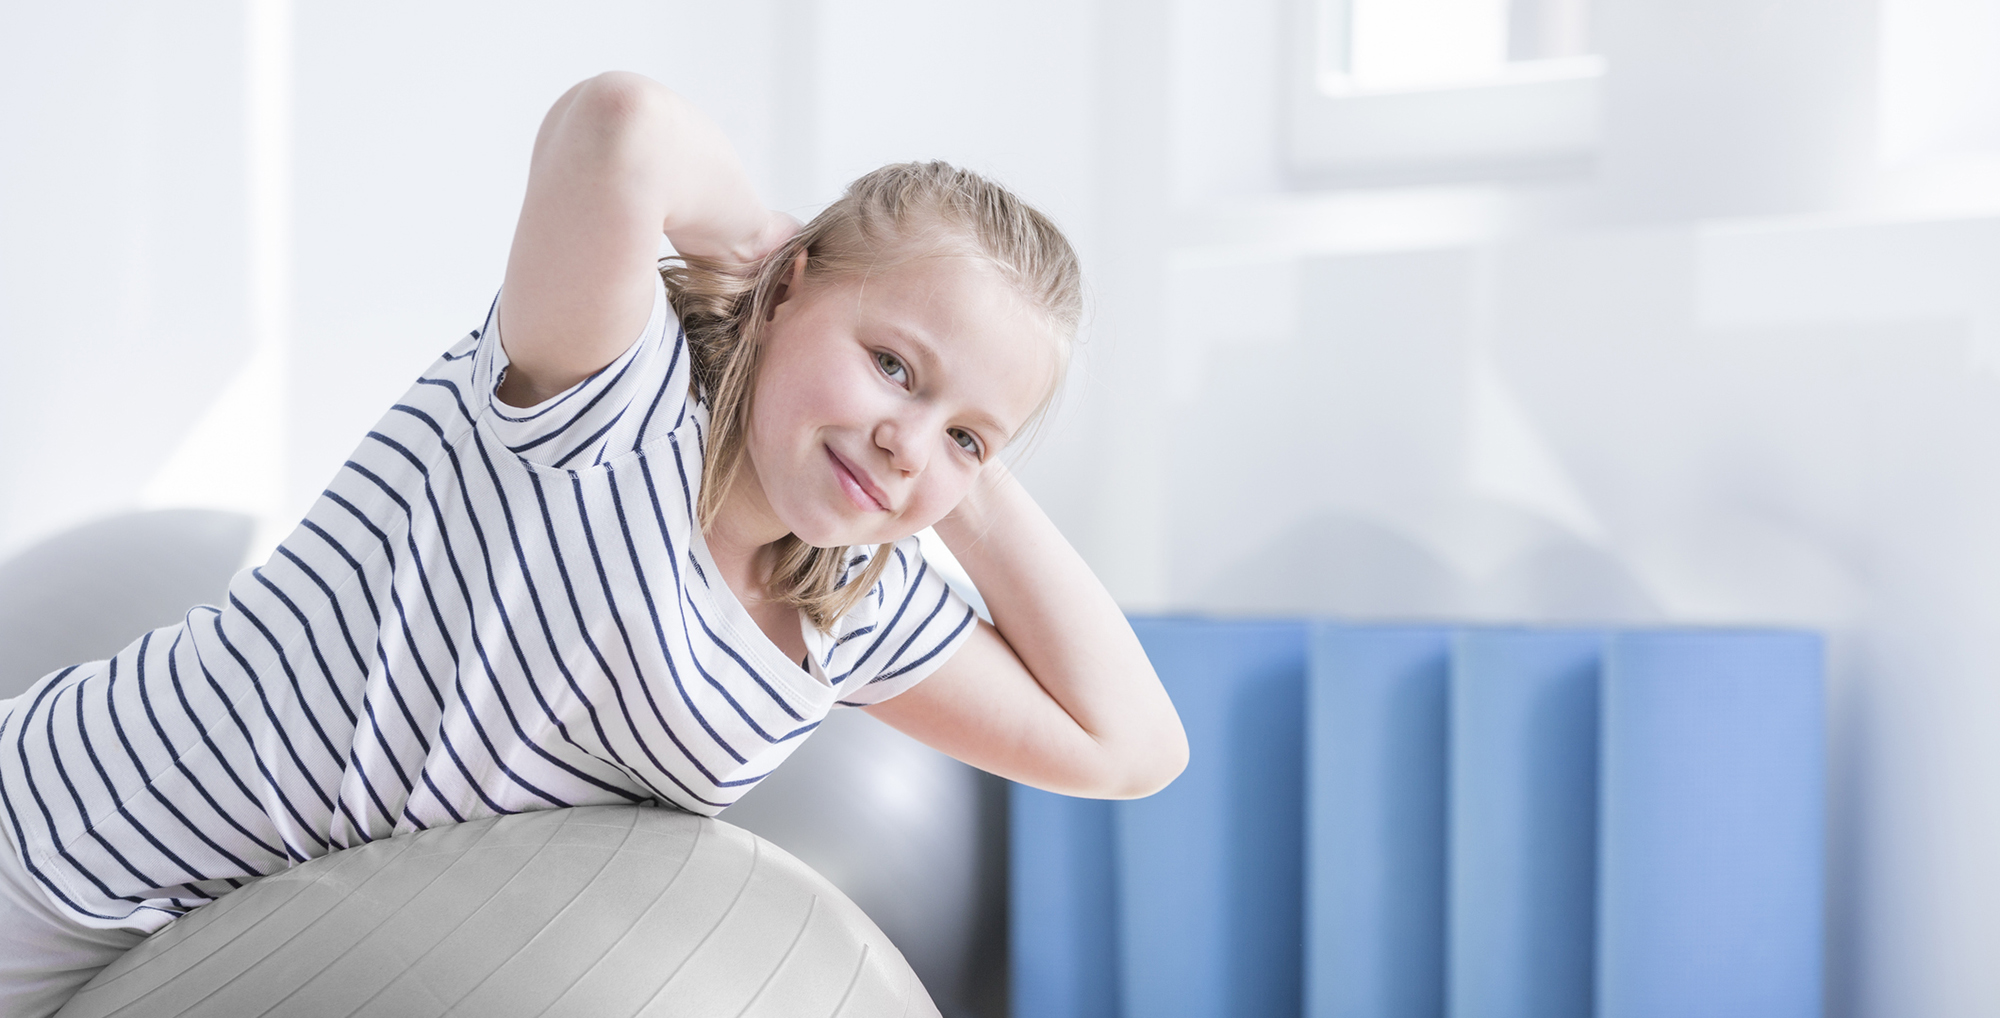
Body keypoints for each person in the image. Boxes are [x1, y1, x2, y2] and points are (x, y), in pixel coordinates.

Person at [0, 71, 1188, 1016]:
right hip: (59, 850)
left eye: (970, 433)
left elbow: (1131, 746)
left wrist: (954, 464)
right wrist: (793, 281)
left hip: (254, 956)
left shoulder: (849, 610)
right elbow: (616, 128)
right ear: (789, 292)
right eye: (890, 360)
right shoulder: (606, 400)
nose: (901, 439)